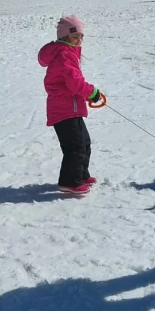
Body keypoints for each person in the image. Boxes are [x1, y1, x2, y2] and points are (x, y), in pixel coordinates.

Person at [39, 15, 100, 196]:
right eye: (75, 36)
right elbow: (75, 82)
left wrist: (85, 95)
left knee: (84, 143)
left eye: (81, 36)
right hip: (65, 109)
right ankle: (69, 182)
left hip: (70, 107)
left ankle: (81, 174)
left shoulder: (66, 52)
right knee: (75, 147)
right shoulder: (65, 54)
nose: (79, 40)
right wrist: (92, 92)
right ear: (64, 37)